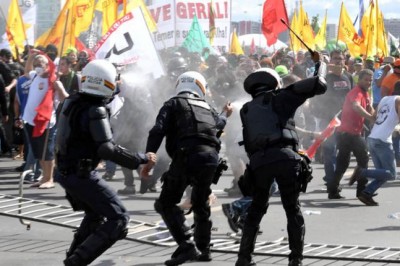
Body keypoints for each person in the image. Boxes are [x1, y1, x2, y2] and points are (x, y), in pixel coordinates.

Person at [55, 59, 156, 266]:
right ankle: (76, 262)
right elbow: (106, 148)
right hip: (81, 174)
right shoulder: (95, 109)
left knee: (94, 215)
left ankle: (72, 259)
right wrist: (141, 159)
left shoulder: (71, 101)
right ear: (107, 82)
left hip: (66, 172)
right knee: (119, 218)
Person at [235, 53, 327, 266]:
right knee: (292, 208)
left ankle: (243, 258)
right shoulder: (281, 97)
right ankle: (295, 259)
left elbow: (249, 142)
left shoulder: (247, 110)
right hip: (285, 158)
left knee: (255, 210)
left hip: (259, 162)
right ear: (274, 82)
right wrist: (319, 62)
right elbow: (318, 84)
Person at [143, 71, 232, 265]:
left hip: (186, 156)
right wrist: (225, 113)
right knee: (200, 203)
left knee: (165, 203)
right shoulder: (207, 106)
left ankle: (187, 246)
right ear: (201, 87)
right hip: (211, 158)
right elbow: (219, 124)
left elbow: (158, 130)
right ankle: (204, 249)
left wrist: (149, 156)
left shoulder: (173, 103)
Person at [326, 69, 391, 202]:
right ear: (359, 80)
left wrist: (376, 117)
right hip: (350, 134)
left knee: (342, 163)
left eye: (370, 80)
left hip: (346, 133)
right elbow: (356, 106)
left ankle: (333, 190)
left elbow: (369, 108)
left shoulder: (365, 93)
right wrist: (370, 118)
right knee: (363, 161)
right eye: (366, 80)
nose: (368, 82)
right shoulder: (356, 92)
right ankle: (362, 191)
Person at [22, 50, 69, 189]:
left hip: (45, 122)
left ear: (47, 64)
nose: (37, 65)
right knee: (38, 152)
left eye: (40, 63)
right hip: (30, 120)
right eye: (36, 63)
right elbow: (26, 71)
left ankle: (49, 179)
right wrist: (31, 57)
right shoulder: (35, 76)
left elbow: (64, 99)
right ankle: (44, 177)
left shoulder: (53, 81)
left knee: (46, 152)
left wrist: (59, 88)